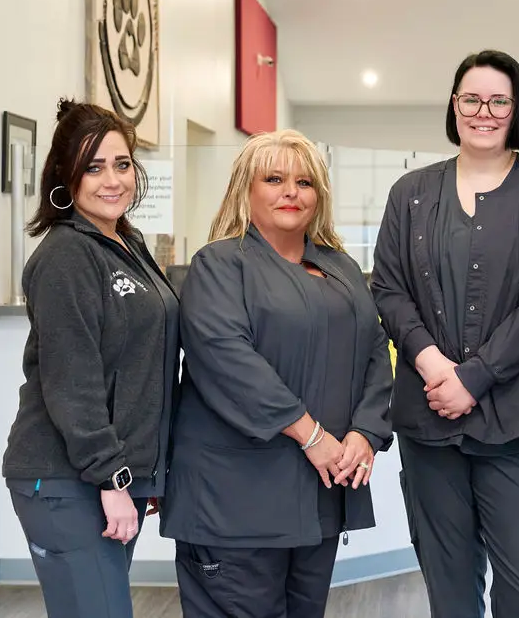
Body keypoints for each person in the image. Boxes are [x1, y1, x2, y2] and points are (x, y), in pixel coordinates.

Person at [370, 49, 519, 617]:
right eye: (471, 98)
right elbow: (388, 289)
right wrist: (435, 365)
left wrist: (477, 377)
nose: (482, 111)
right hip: (429, 420)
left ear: (517, 110)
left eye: (498, 100)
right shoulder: (411, 192)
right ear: (454, 105)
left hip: (516, 424)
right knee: (451, 590)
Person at [160, 129, 394, 618]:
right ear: (246, 188)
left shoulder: (342, 268)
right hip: (235, 503)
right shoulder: (219, 265)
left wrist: (365, 434)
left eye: (305, 182)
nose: (292, 191)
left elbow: (375, 350)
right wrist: (312, 436)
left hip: (320, 499)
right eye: (274, 178)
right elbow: (229, 362)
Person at [1, 99, 180, 618]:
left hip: (107, 477)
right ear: (66, 177)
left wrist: (145, 472)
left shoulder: (126, 240)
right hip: (66, 480)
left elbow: (145, 365)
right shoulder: (65, 256)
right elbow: (71, 382)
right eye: (93, 167)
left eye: (122, 164)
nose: (112, 180)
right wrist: (113, 479)